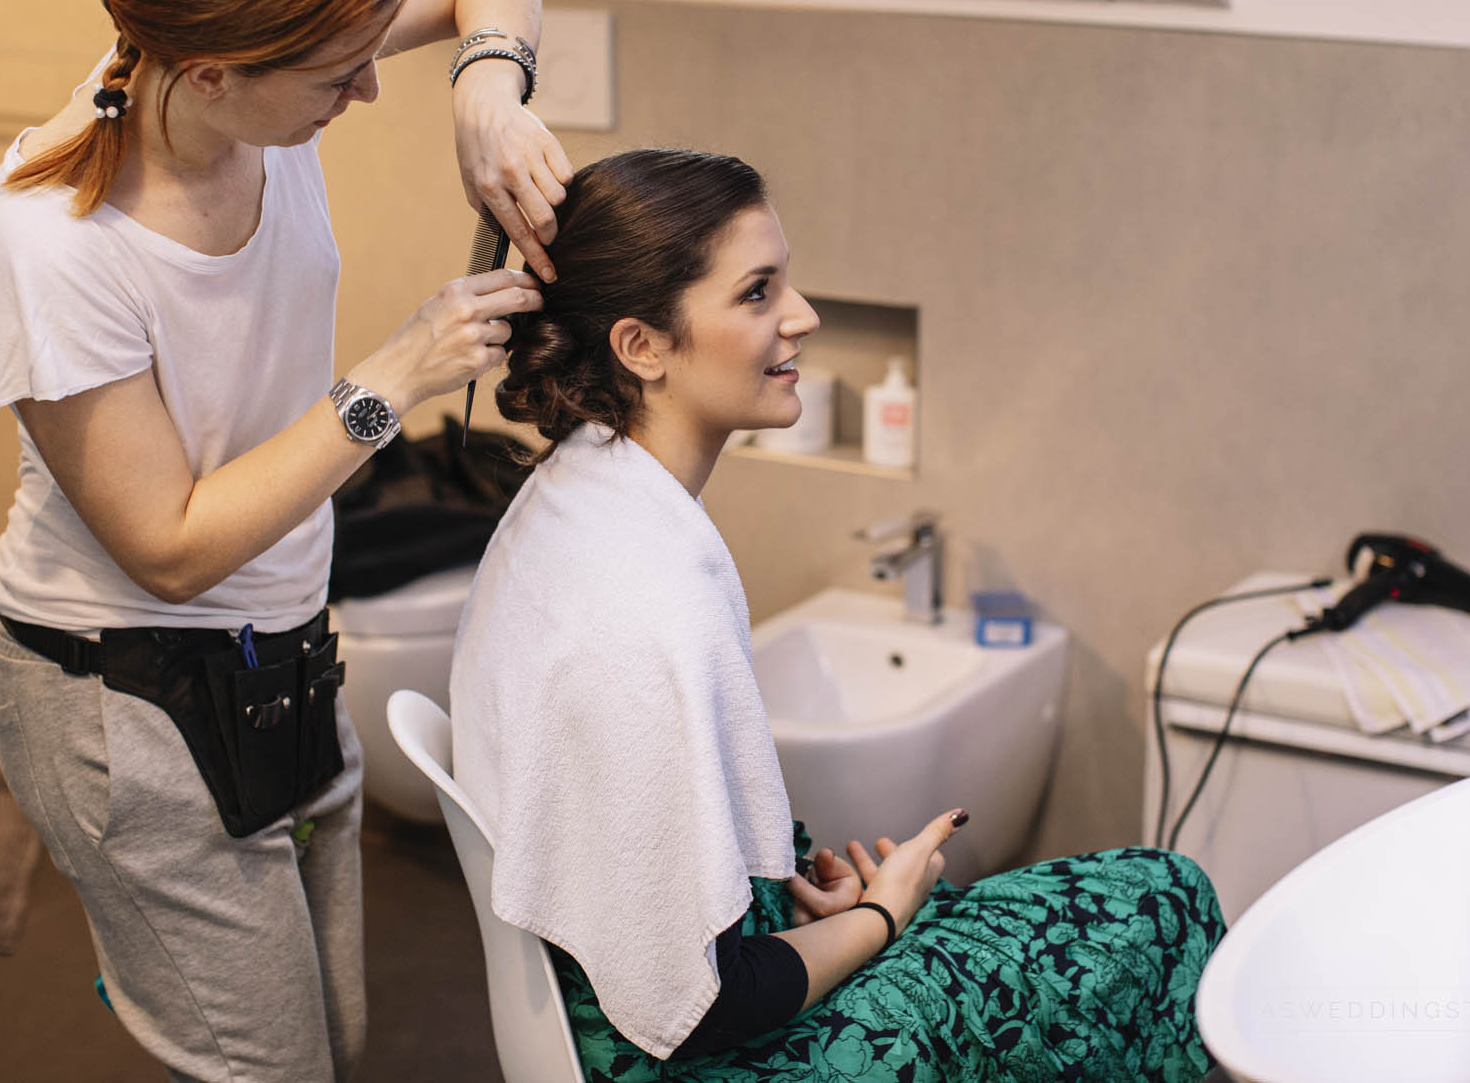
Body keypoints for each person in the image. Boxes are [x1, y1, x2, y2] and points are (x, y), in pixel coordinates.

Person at [0, 0, 563, 1082]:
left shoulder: (217, 71)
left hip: (279, 650)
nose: (366, 94)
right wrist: (391, 380)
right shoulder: (56, 245)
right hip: (122, 697)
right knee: (264, 1064)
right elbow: (170, 549)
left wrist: (488, 86)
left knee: (326, 1042)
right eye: (336, 76)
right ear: (214, 74)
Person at [450, 148, 1226, 1081]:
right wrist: (879, 917)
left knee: (1133, 899)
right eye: (757, 292)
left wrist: (786, 894)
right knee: (1163, 900)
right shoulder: (642, 600)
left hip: (632, 1003)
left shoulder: (577, 499)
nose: (803, 315)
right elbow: (703, 1004)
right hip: (698, 1059)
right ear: (640, 346)